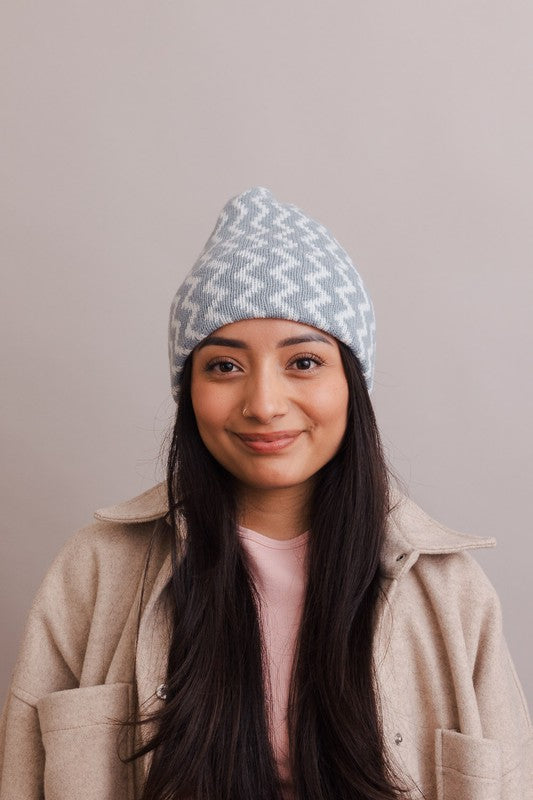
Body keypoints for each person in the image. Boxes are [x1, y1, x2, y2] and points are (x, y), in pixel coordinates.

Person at [0, 186, 531, 800]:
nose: (264, 405)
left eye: (303, 362)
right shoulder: (94, 572)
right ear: (188, 388)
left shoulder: (451, 595)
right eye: (225, 366)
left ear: (351, 384)